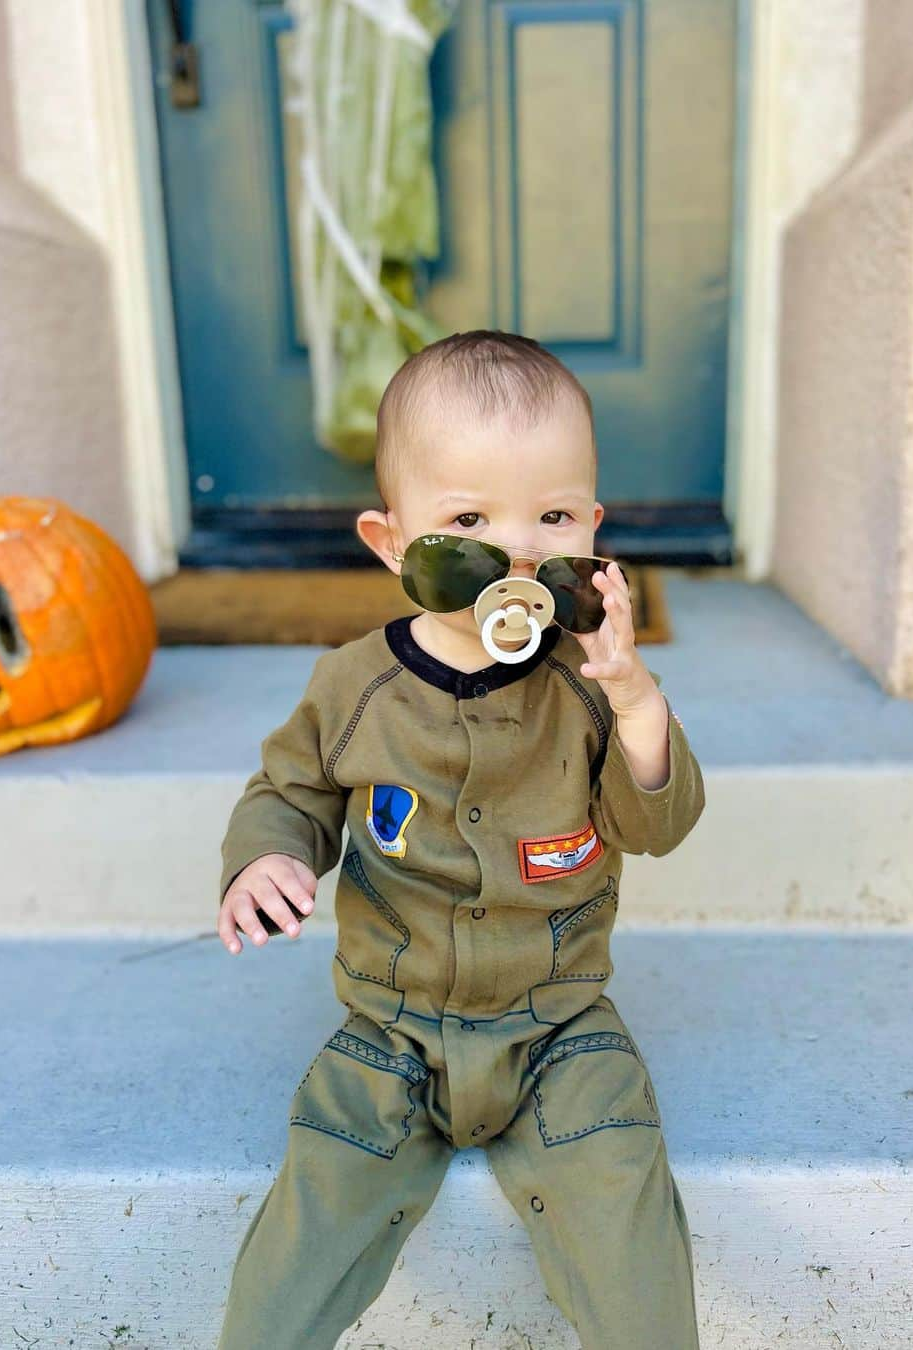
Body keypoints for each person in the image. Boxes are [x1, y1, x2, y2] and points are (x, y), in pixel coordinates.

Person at [214, 330, 707, 1349]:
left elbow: (651, 824)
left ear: (594, 532)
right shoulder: (356, 686)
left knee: (627, 1215)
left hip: (558, 1025)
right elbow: (291, 788)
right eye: (470, 522)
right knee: (305, 1231)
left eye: (554, 517)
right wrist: (269, 857)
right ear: (391, 541)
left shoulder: (585, 689)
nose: (519, 555)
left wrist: (635, 692)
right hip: (392, 1029)